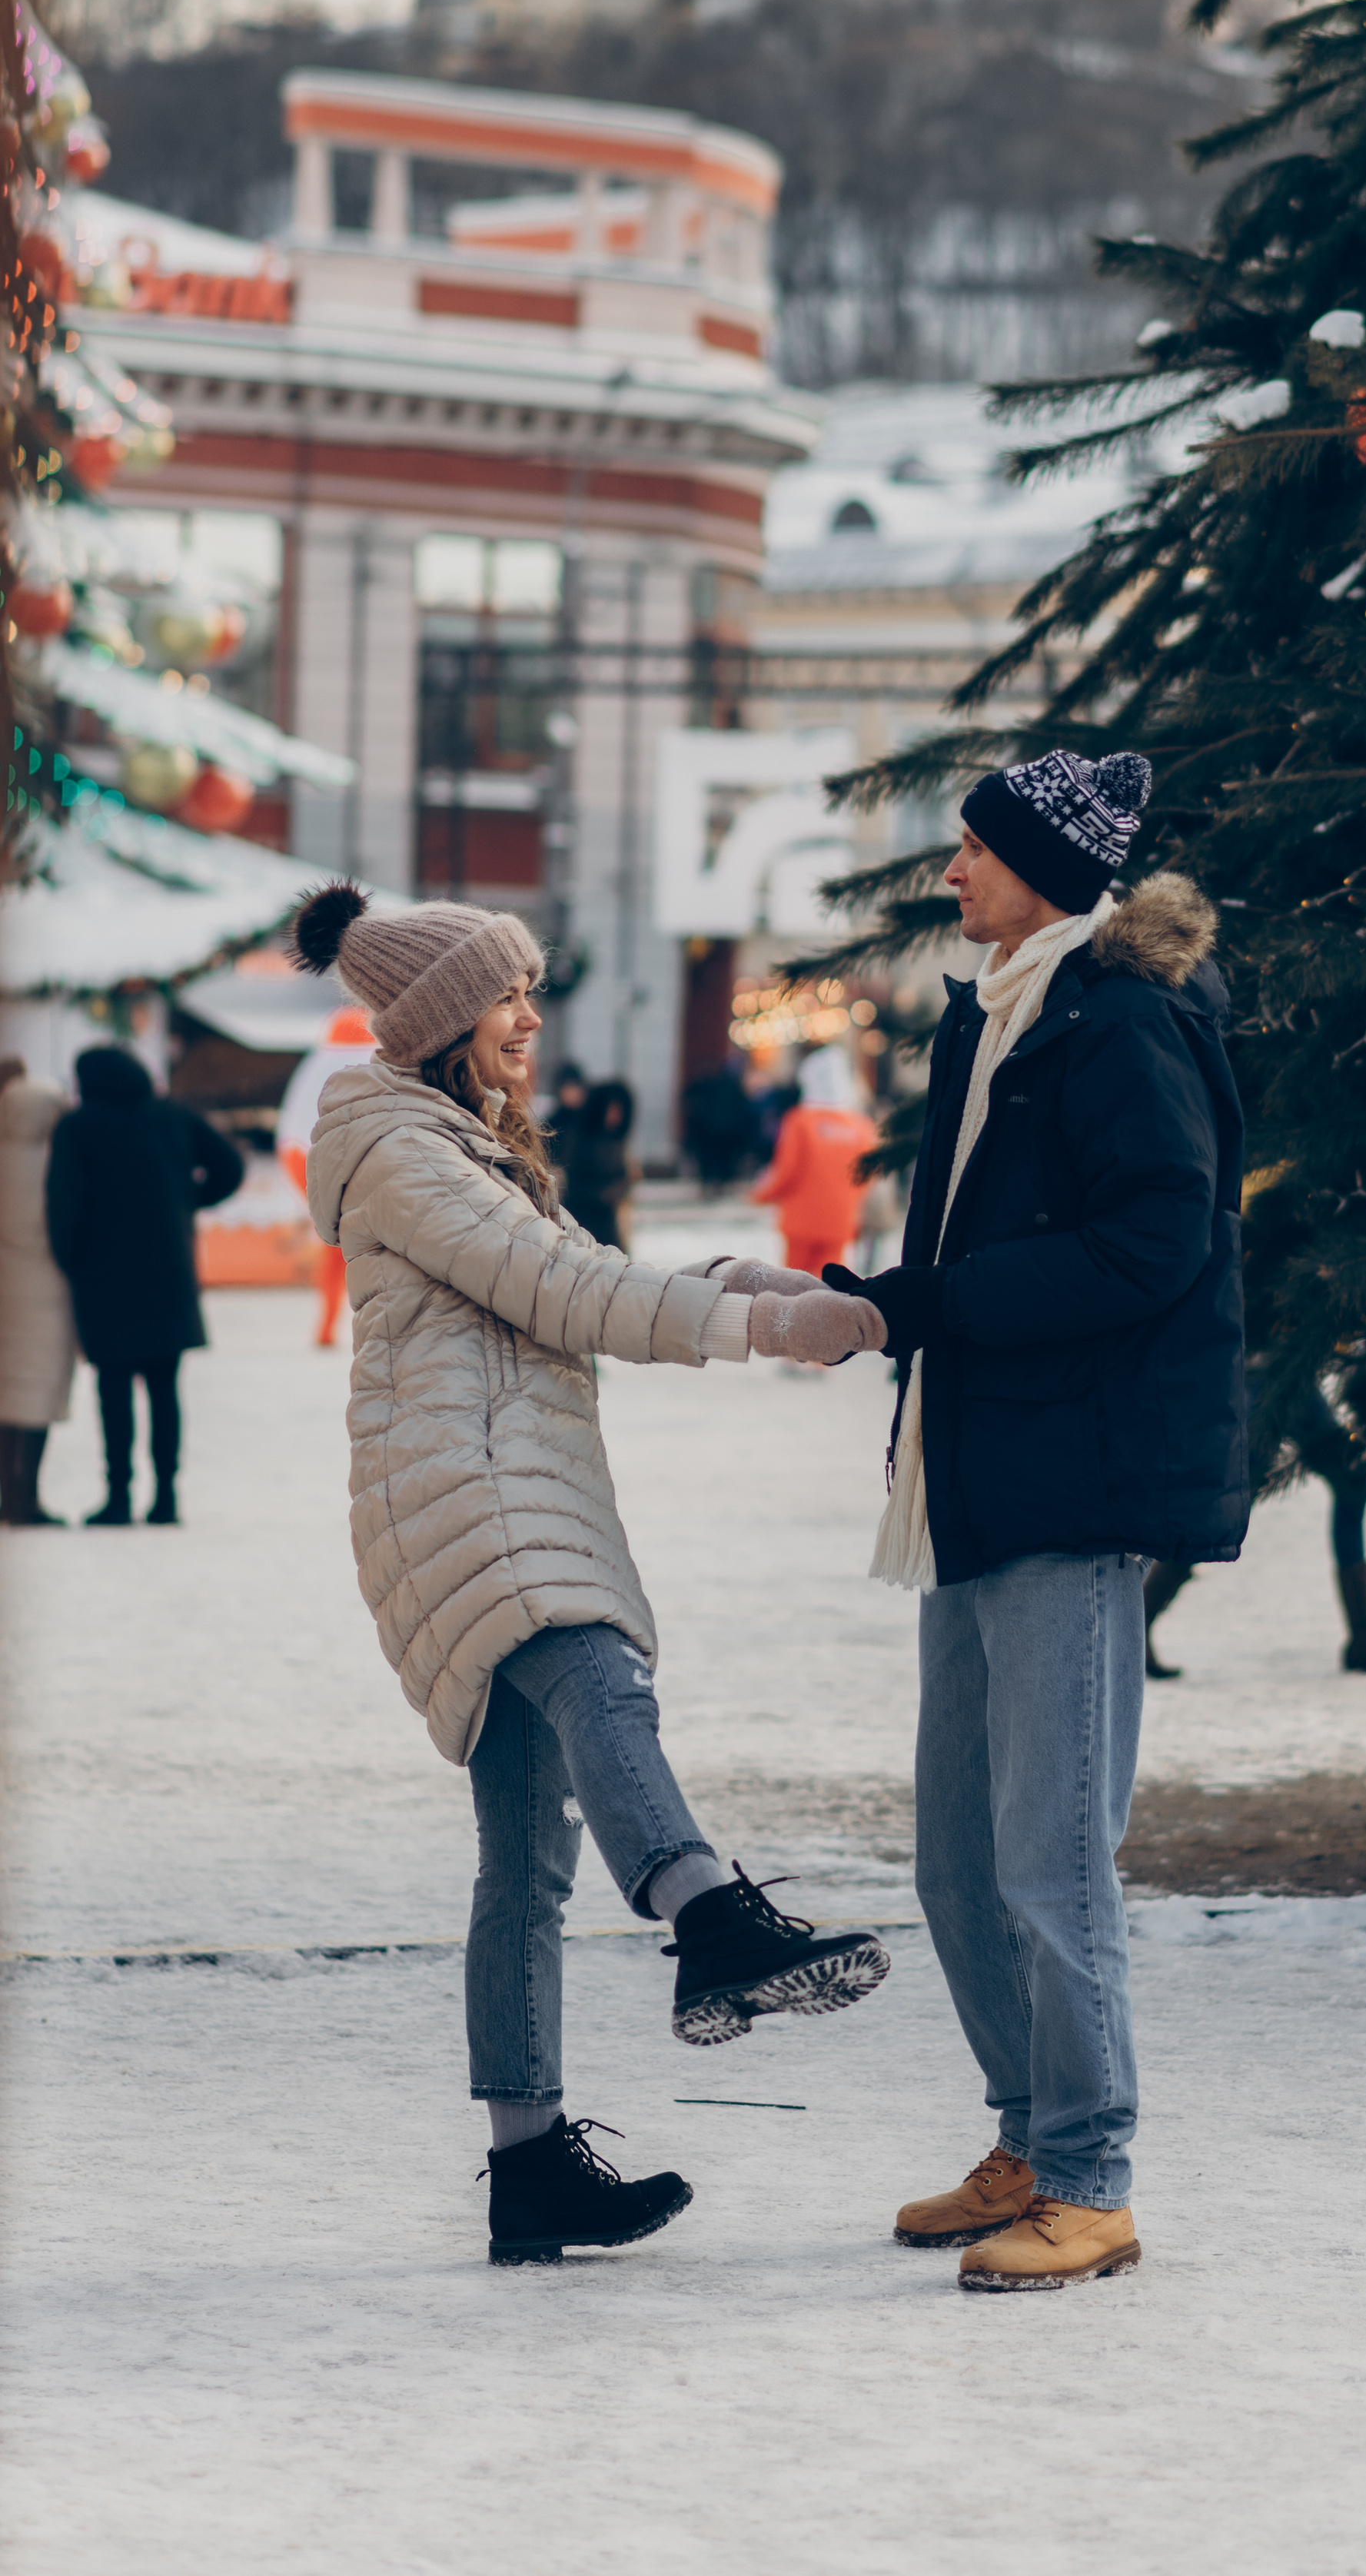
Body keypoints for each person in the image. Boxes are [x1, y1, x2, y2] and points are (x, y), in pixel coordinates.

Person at [291, 882, 889, 2267]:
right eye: (507, 992)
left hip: (487, 1475)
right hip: (472, 1487)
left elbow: (575, 1271)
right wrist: (766, 1325)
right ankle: (708, 1912)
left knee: (526, 1855)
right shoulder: (405, 1148)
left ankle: (528, 2164)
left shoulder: (455, 1140)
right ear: (444, 1016)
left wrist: (738, 1275)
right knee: (599, 1676)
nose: (530, 1015)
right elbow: (564, 1294)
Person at [824, 750, 1249, 2294]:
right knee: (955, 1857)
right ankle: (1026, 2132)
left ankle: (1090, 2176)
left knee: (1050, 1859)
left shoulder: (1115, 1018)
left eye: (972, 852)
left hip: (1069, 1487)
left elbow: (1156, 1247)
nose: (950, 872)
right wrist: (884, 1316)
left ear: (1040, 872)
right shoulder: (1005, 1010)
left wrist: (917, 1307)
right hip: (978, 1480)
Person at [45, 1045, 244, 1527]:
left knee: (112, 1391)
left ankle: (117, 1497)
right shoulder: (172, 1116)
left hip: (103, 1279)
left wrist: (68, 1261)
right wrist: (186, 1201)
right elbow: (231, 1169)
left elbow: (62, 1204)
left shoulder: (78, 1127)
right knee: (164, 1390)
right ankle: (166, 1496)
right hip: (166, 1273)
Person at [1141, 1374, 1366, 1678]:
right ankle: (1138, 1621)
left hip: (1289, 1370)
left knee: (1347, 1480)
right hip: (1263, 1369)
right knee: (1228, 1499)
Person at [0, 1055, 78, 1524]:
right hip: (48, 1294)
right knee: (35, 1395)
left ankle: (9, 1494)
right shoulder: (57, 1163)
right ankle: (25, 1495)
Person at [277, 1006, 377, 1348]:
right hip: (367, 1176)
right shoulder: (377, 1067)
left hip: (321, 1173)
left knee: (335, 1256)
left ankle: (327, 1327)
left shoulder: (316, 1068)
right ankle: (368, 1328)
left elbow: (291, 1136)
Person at [749, 1042, 879, 1275]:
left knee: (793, 1288)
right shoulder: (862, 1126)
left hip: (801, 1221)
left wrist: (760, 1195)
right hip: (840, 1220)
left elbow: (787, 1171)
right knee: (827, 1287)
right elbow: (866, 1176)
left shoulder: (800, 1121)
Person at [557, 1077, 636, 1251]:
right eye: (611, 1110)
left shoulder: (616, 1140)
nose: (615, 1116)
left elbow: (624, 1178)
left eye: (619, 1111)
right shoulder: (580, 1138)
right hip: (582, 1218)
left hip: (608, 1220)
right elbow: (573, 1178)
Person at [680, 1062, 763, 1192]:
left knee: (711, 1158)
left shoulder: (710, 1086)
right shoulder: (734, 1088)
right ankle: (721, 1182)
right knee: (724, 1158)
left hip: (711, 1130)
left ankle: (709, 1181)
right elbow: (745, 1111)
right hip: (728, 1131)